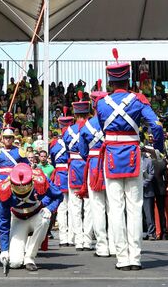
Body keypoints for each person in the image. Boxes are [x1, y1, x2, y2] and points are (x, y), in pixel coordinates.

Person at [95, 53, 164, 271]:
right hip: (133, 155)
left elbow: (101, 127)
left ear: (111, 81)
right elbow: (158, 126)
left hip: (112, 157)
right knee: (134, 208)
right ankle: (135, 257)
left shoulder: (101, 103)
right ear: (128, 79)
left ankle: (122, 258)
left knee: (115, 209)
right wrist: (159, 148)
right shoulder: (138, 100)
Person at [0, 163, 63, 271]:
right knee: (15, 263)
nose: (22, 188)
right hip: (18, 219)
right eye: (18, 187)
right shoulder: (5, 189)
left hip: (37, 215)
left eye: (25, 186)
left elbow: (58, 196)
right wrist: (4, 249)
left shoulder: (40, 180)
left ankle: (29, 257)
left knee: (44, 220)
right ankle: (17, 254)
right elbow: (3, 221)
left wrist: (49, 209)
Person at [77, 85, 114, 257]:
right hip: (112, 164)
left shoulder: (86, 126)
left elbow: (83, 151)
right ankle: (115, 245)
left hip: (93, 166)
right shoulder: (112, 120)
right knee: (113, 207)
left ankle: (102, 246)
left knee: (97, 207)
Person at [62, 96, 93, 251]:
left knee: (74, 207)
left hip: (74, 167)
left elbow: (67, 146)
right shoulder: (91, 126)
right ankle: (88, 241)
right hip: (89, 166)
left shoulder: (68, 130)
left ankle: (78, 241)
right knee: (89, 206)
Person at [49, 111, 74, 247]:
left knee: (63, 207)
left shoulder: (54, 144)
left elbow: (53, 161)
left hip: (60, 174)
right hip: (73, 172)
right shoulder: (74, 139)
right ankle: (72, 237)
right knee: (73, 207)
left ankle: (64, 238)